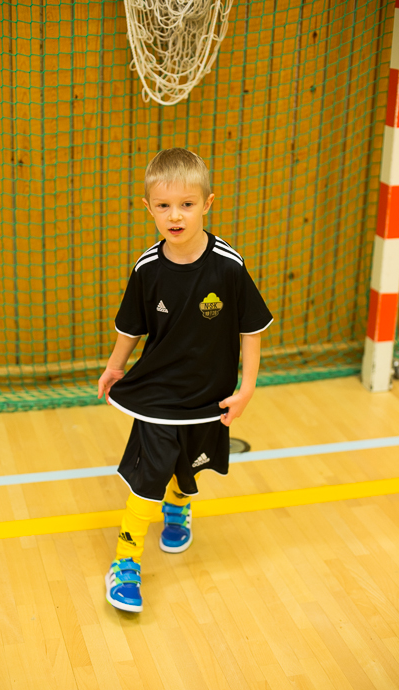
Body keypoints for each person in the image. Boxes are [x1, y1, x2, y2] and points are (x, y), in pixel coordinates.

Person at [98, 148, 272, 612]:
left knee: (186, 466)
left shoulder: (228, 265)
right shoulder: (147, 268)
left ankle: (178, 505)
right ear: (148, 208)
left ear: (207, 204)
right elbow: (131, 327)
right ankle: (126, 562)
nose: (175, 215)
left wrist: (247, 387)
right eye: (164, 205)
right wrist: (115, 366)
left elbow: (251, 328)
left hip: (209, 394)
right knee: (149, 475)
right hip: (157, 393)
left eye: (187, 204)